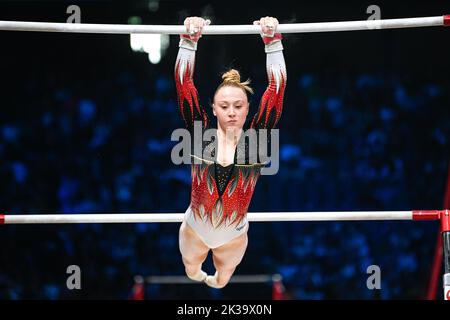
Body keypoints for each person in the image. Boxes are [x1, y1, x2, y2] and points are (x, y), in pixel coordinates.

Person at [175, 16, 287, 288]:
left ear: (249, 108)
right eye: (224, 106)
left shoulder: (257, 141)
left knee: (222, 280)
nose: (232, 112)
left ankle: (213, 280)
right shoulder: (200, 133)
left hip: (233, 236)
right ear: (213, 109)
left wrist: (272, 42)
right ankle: (201, 276)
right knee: (191, 271)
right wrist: (188, 40)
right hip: (195, 231)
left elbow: (277, 88)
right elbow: (184, 84)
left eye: (238, 105)